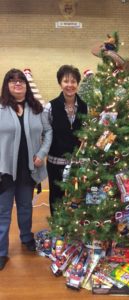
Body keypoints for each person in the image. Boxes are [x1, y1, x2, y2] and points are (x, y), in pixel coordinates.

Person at [0, 68, 52, 270]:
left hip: (28, 170)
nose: (17, 84)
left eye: (21, 80)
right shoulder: (1, 108)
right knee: (3, 212)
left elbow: (48, 132)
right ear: (7, 86)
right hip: (5, 171)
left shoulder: (36, 108)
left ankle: (26, 237)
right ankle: (2, 252)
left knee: (25, 207)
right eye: (12, 81)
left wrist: (41, 154)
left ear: (26, 85)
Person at [45, 65, 88, 215]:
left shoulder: (85, 107)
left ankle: (75, 229)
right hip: (55, 161)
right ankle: (57, 228)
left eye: (73, 81)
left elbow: (88, 133)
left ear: (77, 83)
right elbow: (45, 133)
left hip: (78, 163)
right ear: (60, 83)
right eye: (66, 81)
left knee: (76, 197)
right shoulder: (50, 107)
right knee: (56, 196)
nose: (70, 85)